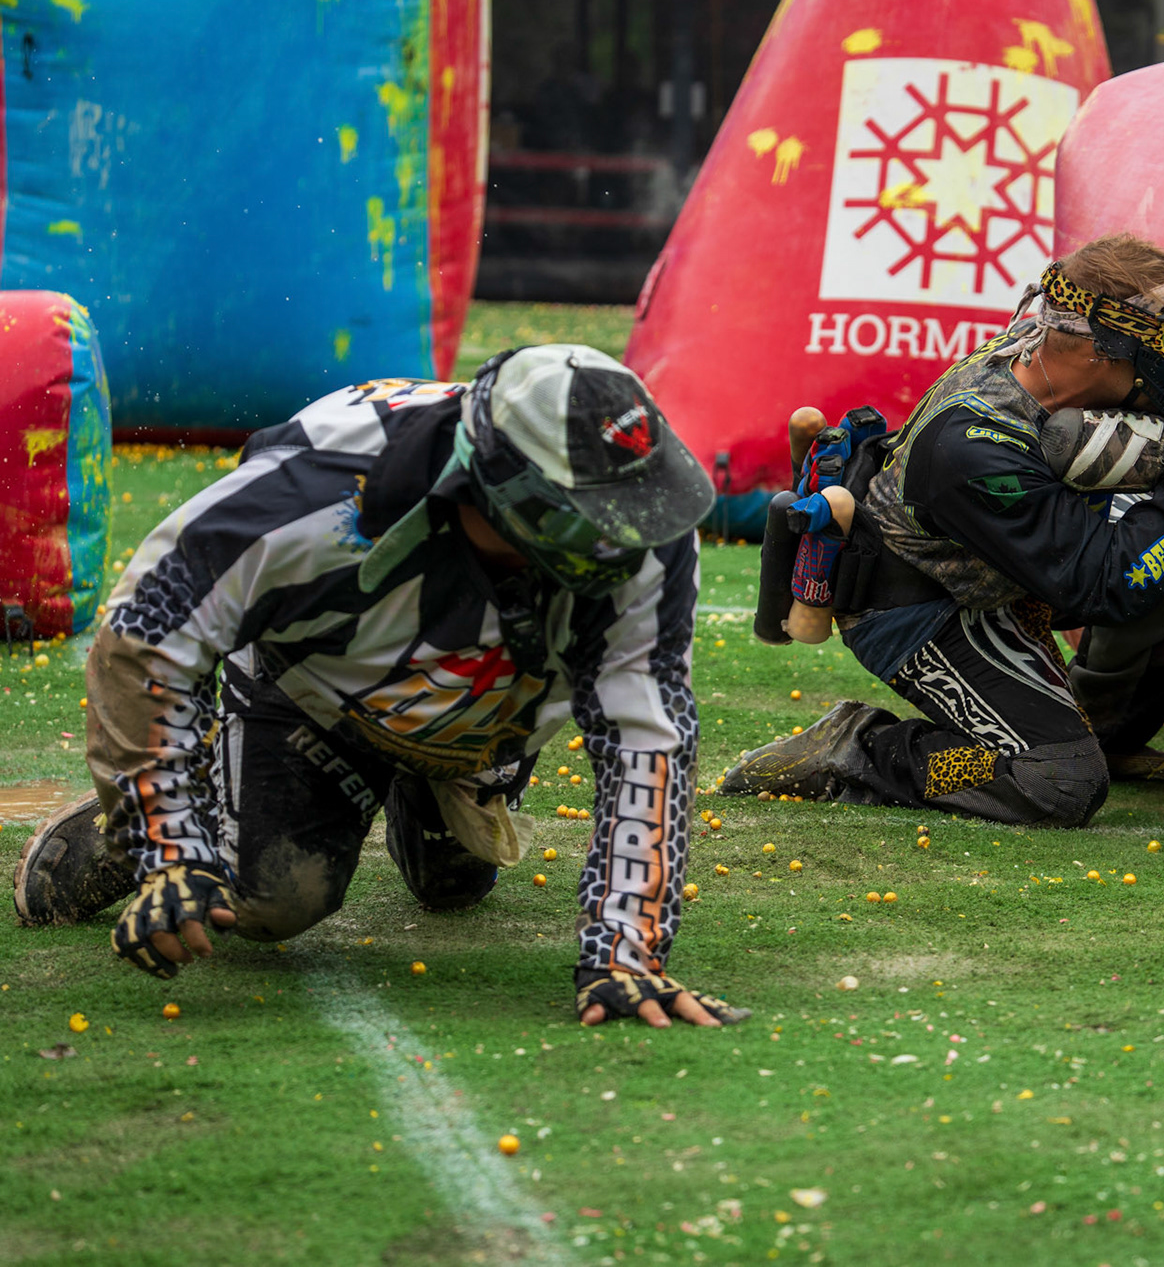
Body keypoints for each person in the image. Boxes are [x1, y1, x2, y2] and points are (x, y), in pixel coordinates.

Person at [12, 345, 745, 1029]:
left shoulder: (644, 520)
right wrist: (167, 843)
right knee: (270, 902)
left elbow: (647, 740)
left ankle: (424, 785)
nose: (628, 538)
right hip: (317, 694)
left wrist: (625, 956)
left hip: (492, 715)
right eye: (591, 520)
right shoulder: (310, 491)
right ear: (503, 490)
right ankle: (170, 813)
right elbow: (144, 642)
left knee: (453, 888)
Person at [720, 233, 1164, 825]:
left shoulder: (1073, 372)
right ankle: (864, 749)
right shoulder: (972, 443)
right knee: (1058, 781)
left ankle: (1104, 734)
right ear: (1101, 347)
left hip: (1006, 572)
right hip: (918, 604)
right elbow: (1112, 581)